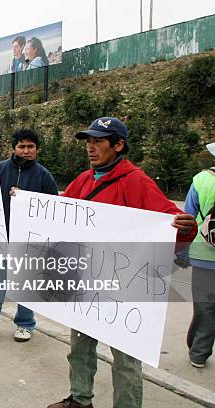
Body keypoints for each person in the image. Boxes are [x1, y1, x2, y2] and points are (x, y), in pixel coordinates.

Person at [47, 117, 197, 408]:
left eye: (98, 141)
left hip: (125, 289)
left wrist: (185, 227)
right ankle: (80, 399)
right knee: (79, 349)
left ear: (118, 145)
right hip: (86, 284)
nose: (90, 147)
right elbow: (60, 214)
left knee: (126, 361)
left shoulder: (138, 182)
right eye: (88, 141)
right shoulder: (83, 180)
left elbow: (170, 226)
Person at [0, 129, 58, 343]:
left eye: (30, 147)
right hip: (1, 237)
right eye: (21, 146)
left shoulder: (44, 177)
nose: (26, 151)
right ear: (14, 148)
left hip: (30, 241)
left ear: (37, 150)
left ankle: (25, 324)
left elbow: (54, 208)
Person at [183, 142, 215, 369]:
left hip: (204, 253)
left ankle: (199, 353)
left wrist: (181, 251)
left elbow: (187, 217)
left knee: (205, 306)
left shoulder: (201, 180)